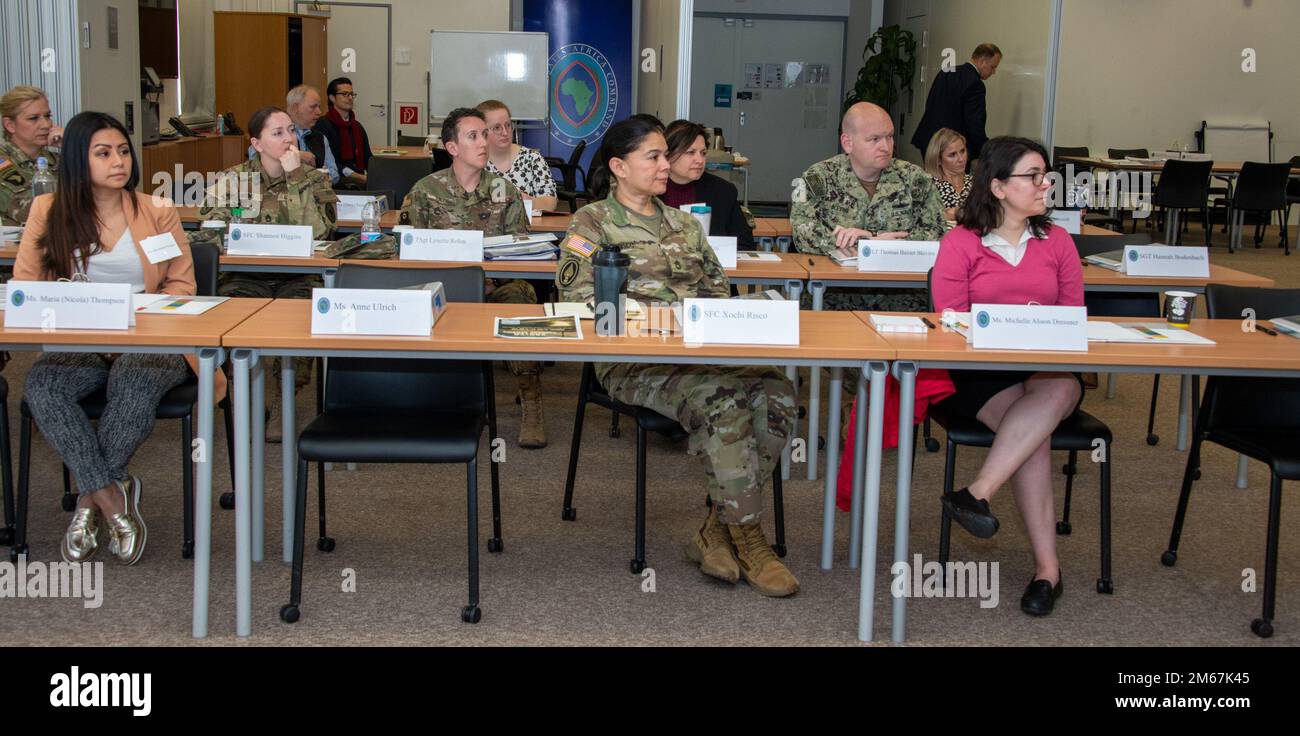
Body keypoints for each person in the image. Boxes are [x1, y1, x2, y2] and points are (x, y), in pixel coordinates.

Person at [555, 117, 799, 597]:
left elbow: (717, 292)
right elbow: (577, 295)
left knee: (778, 390)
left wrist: (708, 320)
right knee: (724, 399)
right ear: (618, 167)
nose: (666, 165)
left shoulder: (685, 224)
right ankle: (748, 538)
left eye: (667, 156)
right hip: (635, 361)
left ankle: (716, 527)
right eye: (654, 157)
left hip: (702, 351)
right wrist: (661, 318)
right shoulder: (590, 224)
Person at [15, 111, 205, 565]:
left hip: (150, 339)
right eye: (103, 153)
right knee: (42, 385)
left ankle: (88, 499)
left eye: (122, 151)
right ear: (79, 162)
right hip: (79, 337)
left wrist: (140, 318)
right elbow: (26, 286)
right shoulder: (47, 210)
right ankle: (113, 497)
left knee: (134, 381)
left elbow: (182, 286)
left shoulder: (157, 211)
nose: (118, 161)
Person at [930, 136, 1084, 616]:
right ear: (998, 187)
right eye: (1033, 176)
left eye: (1046, 175)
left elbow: (1074, 314)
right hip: (980, 372)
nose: (1045, 185)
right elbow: (950, 320)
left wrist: (1029, 328)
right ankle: (1047, 572)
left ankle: (978, 493)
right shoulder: (960, 243)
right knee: (1033, 435)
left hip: (1045, 367)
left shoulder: (1057, 241)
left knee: (1058, 389)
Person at [400, 107, 550, 449]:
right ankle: (417, 398)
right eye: (474, 136)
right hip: (442, 289)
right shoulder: (425, 191)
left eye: (485, 135)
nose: (484, 143)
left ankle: (532, 401)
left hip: (495, 286)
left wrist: (490, 278)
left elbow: (519, 252)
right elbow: (409, 251)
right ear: (452, 148)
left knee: (520, 300)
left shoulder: (505, 191)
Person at [199, 106, 337, 434]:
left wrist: (294, 180)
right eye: (277, 133)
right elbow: (210, 228)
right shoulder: (233, 179)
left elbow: (320, 232)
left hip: (299, 276)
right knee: (229, 319)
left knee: (302, 321)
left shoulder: (315, 179)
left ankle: (285, 398)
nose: (289, 138)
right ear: (257, 144)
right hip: (245, 276)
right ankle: (245, 392)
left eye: (291, 130)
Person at [791, 101, 945, 311]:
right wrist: (869, 243)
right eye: (874, 139)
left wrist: (877, 243)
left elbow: (936, 233)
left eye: (890, 137)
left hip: (903, 300)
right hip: (835, 300)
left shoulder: (915, 179)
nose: (886, 146)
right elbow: (801, 232)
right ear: (847, 142)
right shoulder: (817, 178)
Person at [662, 119, 755, 249]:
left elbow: (745, 245)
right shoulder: (649, 192)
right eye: (690, 152)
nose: (700, 160)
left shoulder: (722, 192)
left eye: (703, 153)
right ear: (668, 155)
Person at [910, 43, 1001, 161]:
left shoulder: (946, 71)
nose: (993, 72)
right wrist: (984, 148)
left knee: (932, 178)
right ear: (983, 61)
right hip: (952, 148)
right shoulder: (975, 84)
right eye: (993, 67)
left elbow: (931, 104)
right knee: (953, 179)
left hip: (929, 141)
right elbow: (974, 122)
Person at [475, 99, 557, 211]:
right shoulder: (474, 162)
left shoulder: (532, 159)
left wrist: (525, 200)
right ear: (482, 131)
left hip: (525, 227)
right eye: (497, 128)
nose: (505, 132)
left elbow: (550, 204)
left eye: (508, 125)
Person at [248, 85, 339, 185]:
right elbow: (255, 156)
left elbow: (334, 174)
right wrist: (297, 156)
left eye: (291, 130)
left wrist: (316, 175)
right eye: (313, 107)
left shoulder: (320, 137)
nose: (319, 112)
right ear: (296, 108)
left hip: (314, 192)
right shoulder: (270, 132)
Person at [0, 85, 64, 225]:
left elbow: (106, 193)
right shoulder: (3, 162)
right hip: (19, 245)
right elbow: (31, 211)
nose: (46, 124)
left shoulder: (59, 159)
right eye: (33, 118)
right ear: (10, 125)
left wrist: (74, 147)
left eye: (47, 116)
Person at [317, 77, 371, 186]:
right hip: (337, 183)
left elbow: (368, 158)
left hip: (359, 181)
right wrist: (359, 177)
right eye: (345, 94)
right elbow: (327, 162)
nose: (350, 98)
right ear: (332, 98)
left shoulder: (357, 126)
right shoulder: (322, 125)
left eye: (352, 94)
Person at [924, 128, 972, 223]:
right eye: (952, 155)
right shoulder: (929, 185)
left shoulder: (976, 182)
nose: (961, 159)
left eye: (962, 151)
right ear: (938, 160)